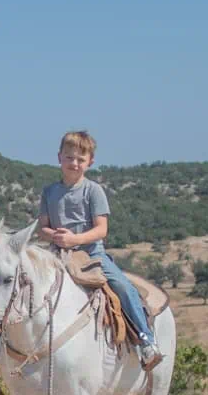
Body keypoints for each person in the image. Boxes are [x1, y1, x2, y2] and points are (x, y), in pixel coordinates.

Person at [37, 129, 163, 370]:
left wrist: (75, 239)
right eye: (69, 157)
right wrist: (55, 236)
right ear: (59, 157)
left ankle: (146, 338)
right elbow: (42, 227)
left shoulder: (93, 190)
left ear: (90, 162)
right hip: (57, 253)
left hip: (91, 255)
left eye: (80, 159)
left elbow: (101, 229)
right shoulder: (49, 191)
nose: (74, 163)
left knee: (123, 287)